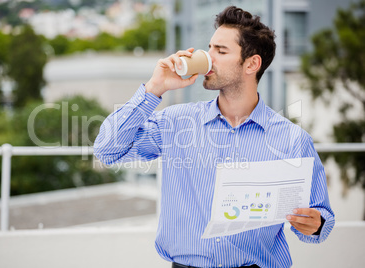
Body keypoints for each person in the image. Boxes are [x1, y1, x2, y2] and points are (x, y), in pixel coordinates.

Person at [94, 5, 335, 268]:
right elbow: (107, 150)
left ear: (252, 64)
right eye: (209, 49)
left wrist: (314, 224)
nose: (208, 58)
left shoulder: (292, 139)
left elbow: (321, 219)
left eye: (220, 51)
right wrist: (154, 89)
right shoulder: (176, 123)